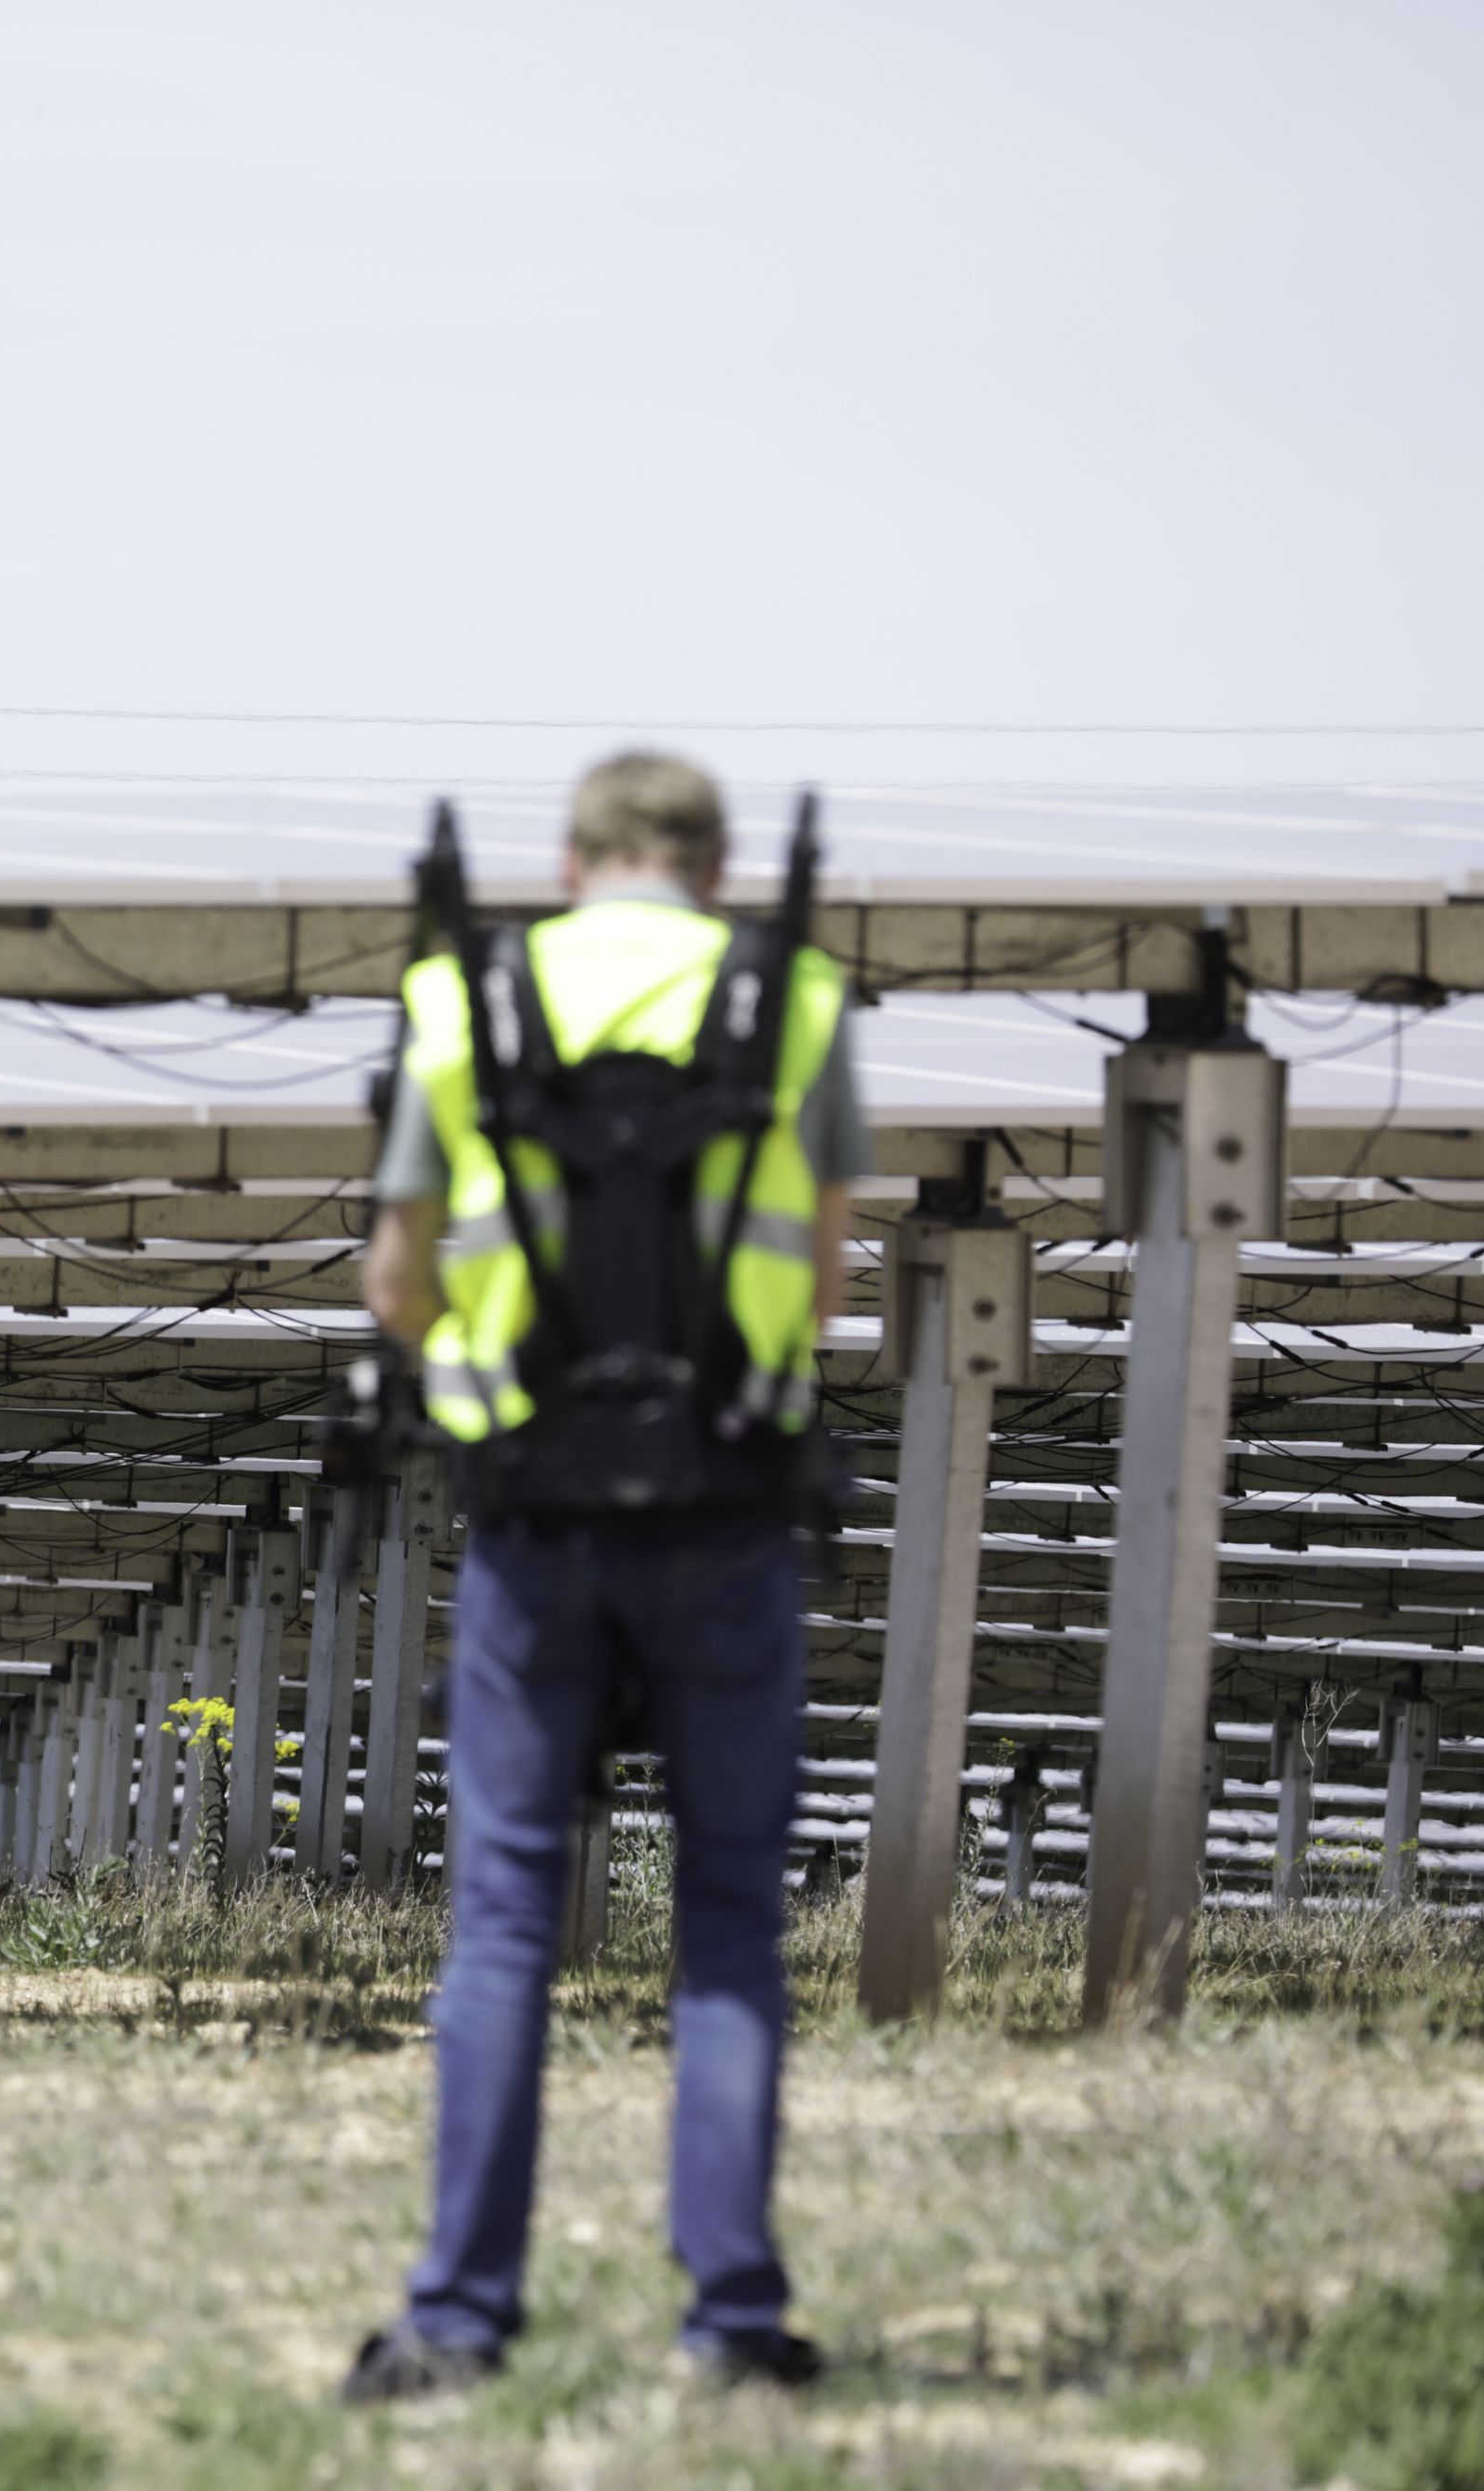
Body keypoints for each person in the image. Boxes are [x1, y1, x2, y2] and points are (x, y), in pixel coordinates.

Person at [341, 750, 865, 2400]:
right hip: (725, 1514)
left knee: (500, 1919)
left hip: (532, 1519)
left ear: (572, 862)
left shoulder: (459, 1000)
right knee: (727, 1925)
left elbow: (397, 1279)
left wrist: (491, 1374)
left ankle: (455, 2324)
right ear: (713, 873)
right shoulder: (796, 1002)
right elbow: (828, 1268)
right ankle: (727, 2327)